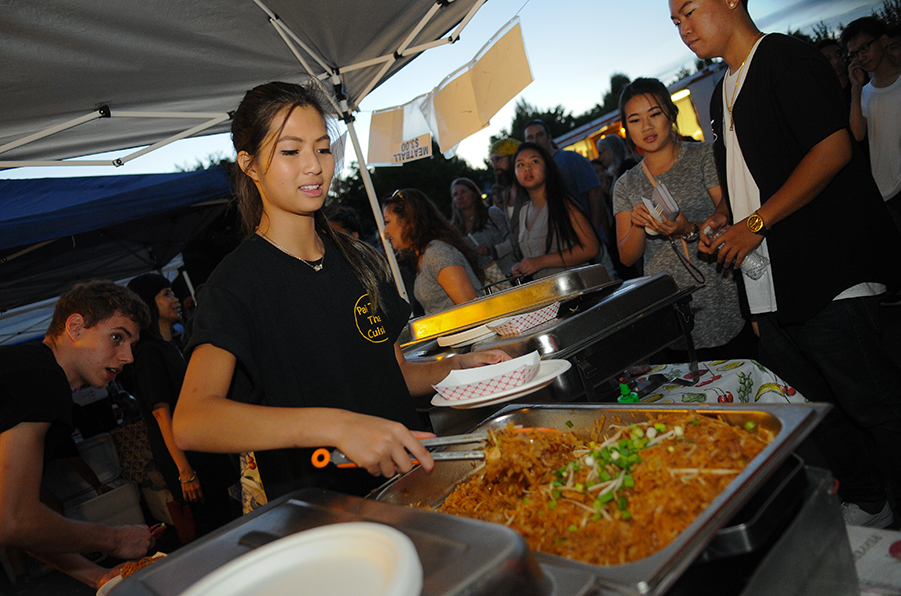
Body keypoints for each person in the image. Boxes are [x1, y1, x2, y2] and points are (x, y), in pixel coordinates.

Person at [172, 82, 508, 504]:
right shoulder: (236, 284)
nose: (314, 166)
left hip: (412, 490)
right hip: (327, 513)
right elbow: (192, 419)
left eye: (323, 148)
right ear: (250, 165)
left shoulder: (360, 260)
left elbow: (393, 375)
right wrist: (337, 426)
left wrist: (458, 364)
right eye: (291, 151)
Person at [670, 0, 901, 527]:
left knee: (876, 405)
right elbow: (751, 176)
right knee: (819, 408)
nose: (684, 29)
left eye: (688, 12)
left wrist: (753, 226)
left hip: (827, 272)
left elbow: (832, 149)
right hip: (770, 287)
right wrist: (725, 218)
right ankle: (870, 499)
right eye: (675, 22)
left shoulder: (784, 58)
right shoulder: (721, 90)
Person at [0, 280, 153, 589]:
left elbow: (10, 519)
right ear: (75, 327)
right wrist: (113, 539)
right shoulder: (42, 379)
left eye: (131, 345)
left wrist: (97, 575)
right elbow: (14, 520)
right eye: (116, 338)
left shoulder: (31, 372)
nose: (128, 357)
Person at [613, 77, 752, 361]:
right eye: (635, 120)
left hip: (720, 292)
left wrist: (688, 228)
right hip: (670, 308)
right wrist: (639, 223)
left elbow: (728, 215)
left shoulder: (703, 156)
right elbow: (627, 257)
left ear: (672, 114)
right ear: (627, 129)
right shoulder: (626, 184)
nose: (647, 127)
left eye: (655, 114)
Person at [123, 273, 239, 538]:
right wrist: (185, 471)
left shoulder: (169, 346)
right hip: (188, 458)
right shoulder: (149, 352)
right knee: (212, 527)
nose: (175, 299)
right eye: (166, 294)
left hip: (201, 449)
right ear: (147, 304)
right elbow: (161, 415)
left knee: (223, 519)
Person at [523, 119, 617, 279]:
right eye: (530, 138)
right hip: (560, 258)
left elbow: (594, 193)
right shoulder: (531, 173)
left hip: (588, 246)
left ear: (549, 136)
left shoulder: (570, 159)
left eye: (539, 135)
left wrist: (593, 231)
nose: (535, 140)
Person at [382, 188, 485, 314]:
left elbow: (472, 309)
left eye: (387, 222)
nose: (385, 231)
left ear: (408, 221)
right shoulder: (425, 255)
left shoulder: (437, 253)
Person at [844, 18, 901, 240]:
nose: (860, 57)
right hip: (883, 190)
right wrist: (856, 89)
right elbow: (857, 134)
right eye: (855, 53)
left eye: (864, 48)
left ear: (884, 41)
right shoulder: (865, 92)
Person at [510, 142, 600, 279]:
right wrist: (522, 267)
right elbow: (533, 256)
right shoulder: (523, 212)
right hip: (549, 294)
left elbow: (591, 248)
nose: (527, 168)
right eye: (520, 164)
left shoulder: (563, 204)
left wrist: (540, 262)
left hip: (577, 288)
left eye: (534, 161)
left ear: (547, 167)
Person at [449, 177, 516, 280]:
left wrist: (491, 251)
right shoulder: (454, 229)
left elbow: (514, 241)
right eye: (455, 195)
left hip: (509, 275)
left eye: (463, 192)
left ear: (474, 194)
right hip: (483, 283)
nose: (459, 197)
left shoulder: (492, 214)